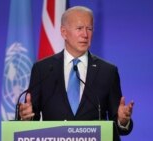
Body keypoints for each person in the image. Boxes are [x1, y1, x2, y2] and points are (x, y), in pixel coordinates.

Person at [19, 6, 134, 141]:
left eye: (89, 29)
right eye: (79, 29)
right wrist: (25, 118)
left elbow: (119, 126)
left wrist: (123, 120)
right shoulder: (42, 69)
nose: (85, 35)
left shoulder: (108, 71)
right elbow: (31, 120)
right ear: (64, 32)